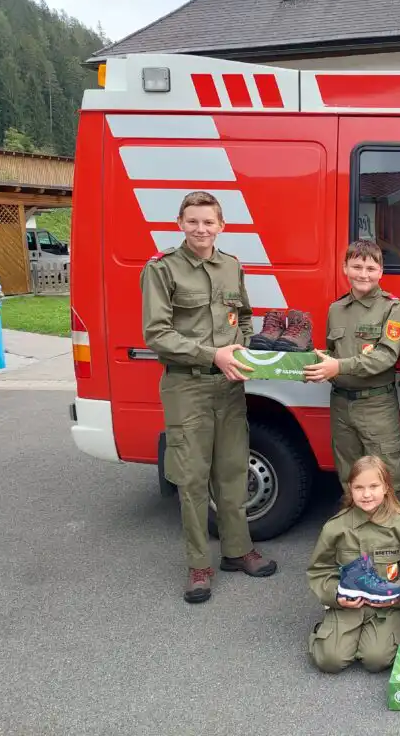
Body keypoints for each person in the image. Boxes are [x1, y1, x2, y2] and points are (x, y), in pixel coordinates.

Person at [140, 190, 277, 604]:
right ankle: (199, 565)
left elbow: (247, 316)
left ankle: (237, 551)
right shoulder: (163, 269)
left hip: (229, 386)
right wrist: (211, 354)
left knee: (233, 473)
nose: (201, 229)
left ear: (221, 226)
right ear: (180, 222)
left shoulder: (231, 266)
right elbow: (157, 333)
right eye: (193, 221)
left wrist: (244, 350)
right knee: (192, 480)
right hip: (188, 386)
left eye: (209, 222)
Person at [304, 240, 400, 500]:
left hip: (376, 405)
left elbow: (385, 356)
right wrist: (316, 363)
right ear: (345, 268)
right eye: (357, 267)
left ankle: (398, 537)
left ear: (381, 272)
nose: (363, 274)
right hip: (341, 404)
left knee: (389, 478)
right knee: (350, 478)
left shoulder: (392, 308)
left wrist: (337, 365)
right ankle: (358, 538)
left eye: (371, 268)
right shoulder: (336, 309)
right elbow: (333, 352)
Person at [307, 456, 400, 673]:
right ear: (350, 489)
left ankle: (399, 623)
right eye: (359, 487)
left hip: (388, 608)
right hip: (348, 606)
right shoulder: (336, 527)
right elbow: (319, 570)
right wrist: (336, 595)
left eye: (374, 486)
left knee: (376, 660)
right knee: (329, 660)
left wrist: (399, 593)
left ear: (386, 488)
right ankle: (328, 630)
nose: (366, 494)